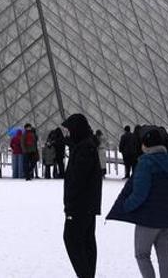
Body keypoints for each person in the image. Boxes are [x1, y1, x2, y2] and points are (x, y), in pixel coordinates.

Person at [107, 128, 168, 278]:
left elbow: (139, 194)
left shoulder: (146, 163)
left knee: (142, 254)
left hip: (149, 218)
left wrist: (125, 206)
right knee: (164, 255)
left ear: (145, 145)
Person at [62, 113, 103, 278]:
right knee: (86, 241)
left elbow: (78, 178)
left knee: (72, 240)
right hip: (87, 205)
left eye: (70, 130)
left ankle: (85, 275)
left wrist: (70, 202)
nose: (68, 134)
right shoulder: (86, 145)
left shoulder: (84, 148)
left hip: (80, 205)